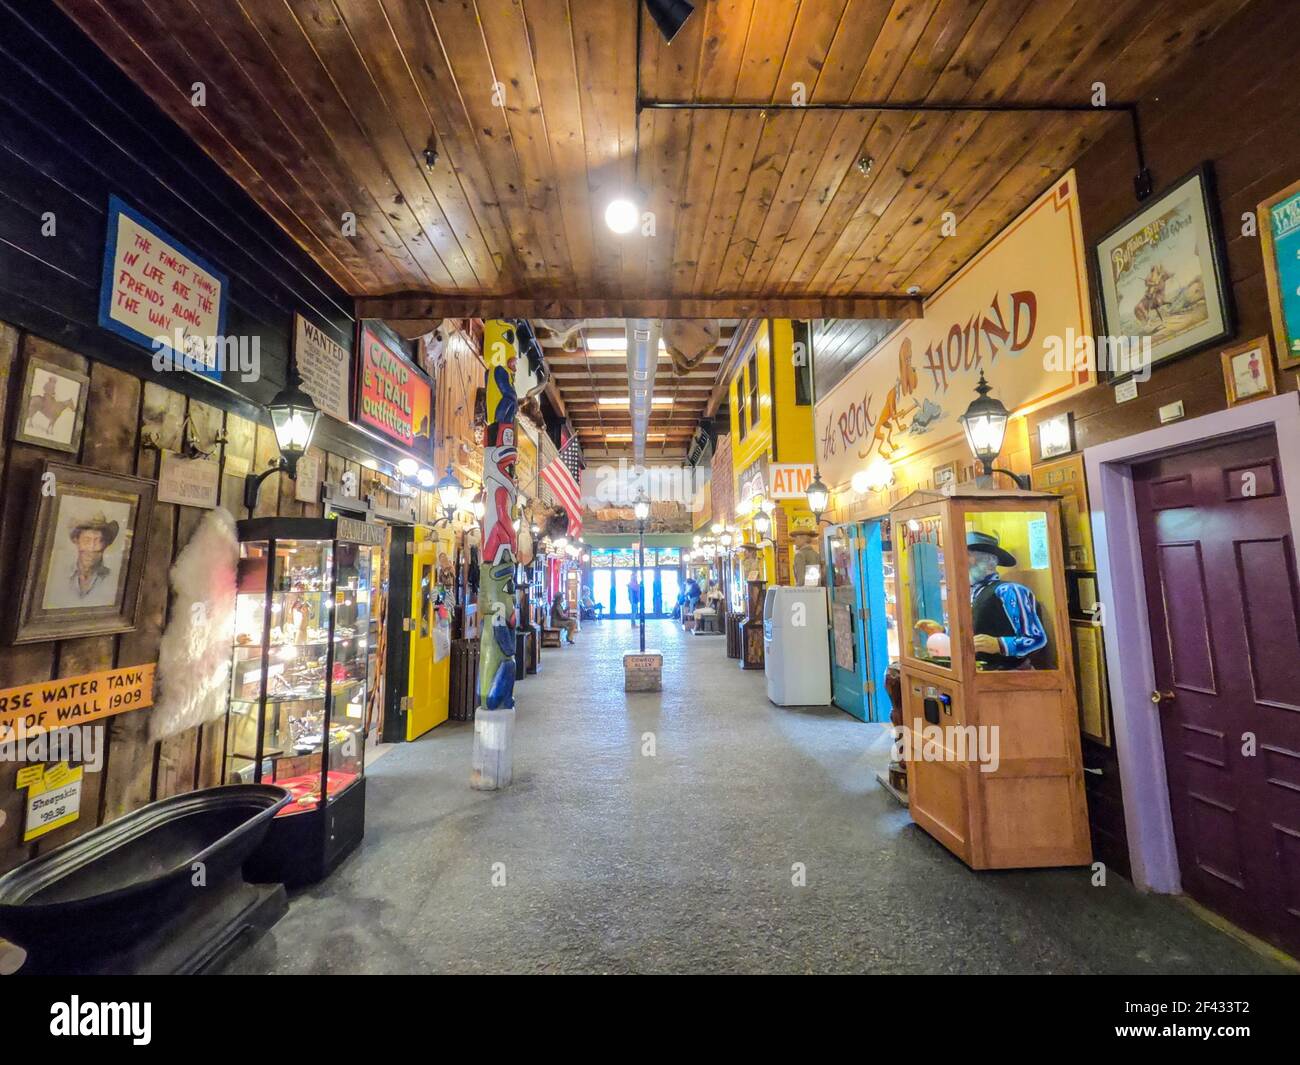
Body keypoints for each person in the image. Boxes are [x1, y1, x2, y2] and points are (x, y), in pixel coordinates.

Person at [967, 531, 1047, 670]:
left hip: (1010, 677)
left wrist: (999, 644)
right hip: (977, 675)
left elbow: (1036, 639)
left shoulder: (1009, 591)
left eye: (968, 555)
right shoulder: (969, 593)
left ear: (988, 559)